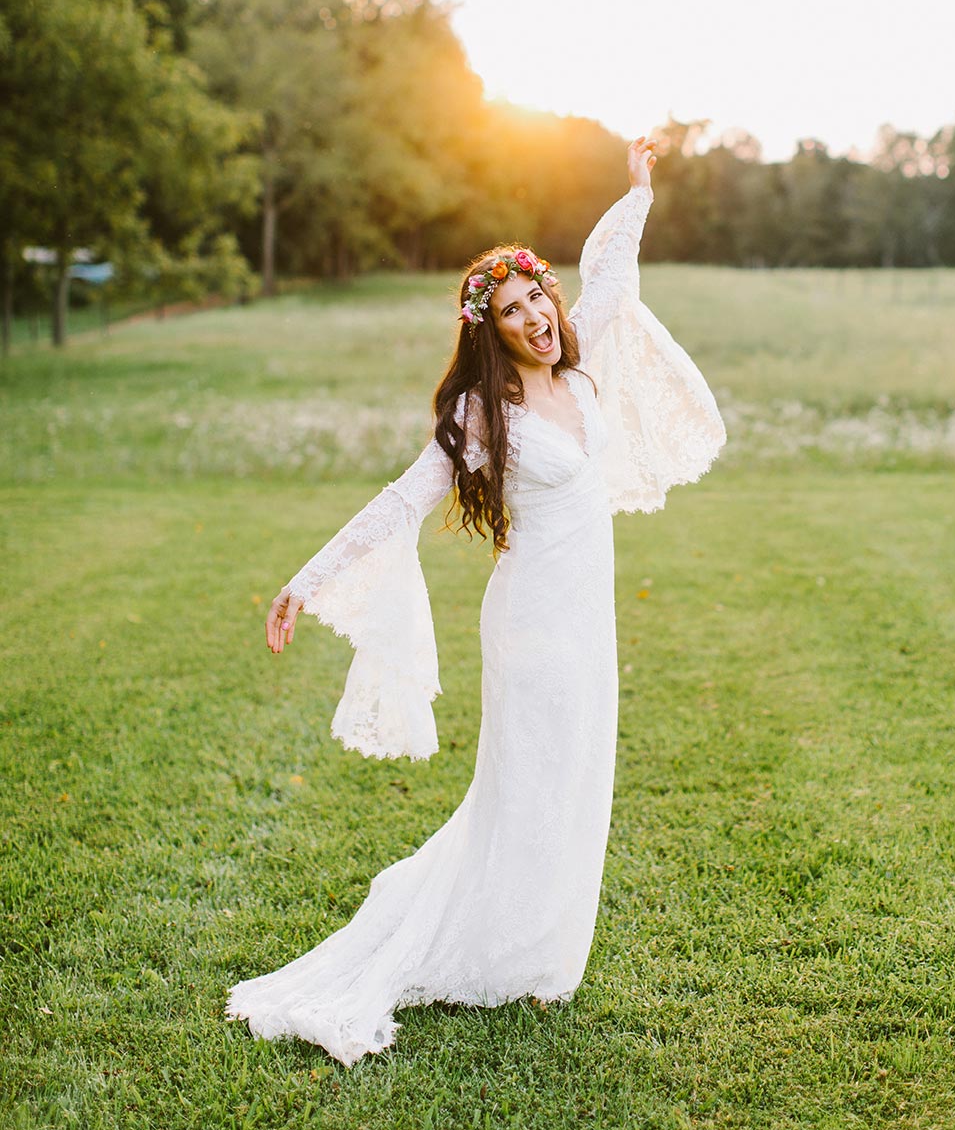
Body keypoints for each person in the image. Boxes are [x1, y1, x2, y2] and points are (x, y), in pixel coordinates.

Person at [225, 136, 726, 1065]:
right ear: (486, 329)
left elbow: (610, 287)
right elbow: (402, 501)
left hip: (588, 622)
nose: (536, 315)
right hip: (530, 625)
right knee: (527, 788)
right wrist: (306, 578)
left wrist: (638, 193)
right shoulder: (484, 415)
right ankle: (505, 958)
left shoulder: (578, 377)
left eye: (538, 295)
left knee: (577, 780)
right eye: (512, 310)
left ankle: (540, 954)